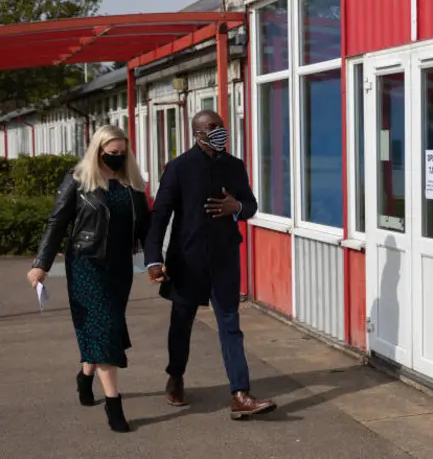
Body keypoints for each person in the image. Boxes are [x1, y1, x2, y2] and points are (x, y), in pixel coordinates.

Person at [144, 110, 277, 419]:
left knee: (230, 325)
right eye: (212, 128)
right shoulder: (178, 168)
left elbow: (251, 205)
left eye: (222, 126)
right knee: (181, 323)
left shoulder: (234, 166)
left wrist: (237, 207)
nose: (220, 132)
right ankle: (175, 376)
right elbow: (160, 216)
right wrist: (153, 259)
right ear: (198, 134)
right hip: (187, 262)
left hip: (224, 259)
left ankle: (240, 394)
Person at [27, 125, 150, 433]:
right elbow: (56, 223)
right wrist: (40, 264)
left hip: (120, 268)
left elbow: (146, 228)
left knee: (103, 330)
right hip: (86, 265)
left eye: (123, 153)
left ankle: (85, 376)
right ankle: (114, 406)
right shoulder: (79, 181)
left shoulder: (132, 184)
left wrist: (156, 262)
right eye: (112, 153)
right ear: (98, 151)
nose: (118, 158)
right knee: (105, 330)